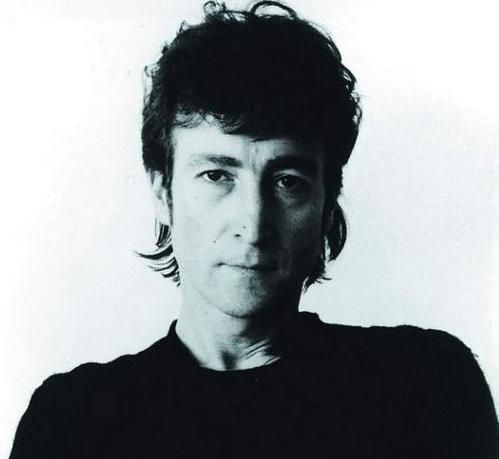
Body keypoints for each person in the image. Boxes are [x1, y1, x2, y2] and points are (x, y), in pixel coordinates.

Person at [9, 1, 498, 458]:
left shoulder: (425, 386)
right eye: (216, 175)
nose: (253, 223)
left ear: (328, 203)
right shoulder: (73, 422)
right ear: (163, 192)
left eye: (288, 181)